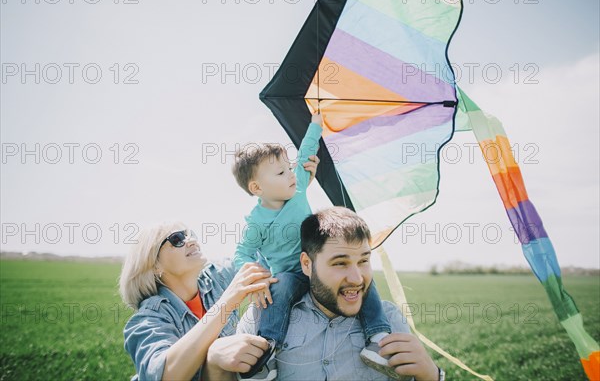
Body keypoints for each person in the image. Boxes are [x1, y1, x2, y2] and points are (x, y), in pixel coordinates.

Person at [231, 115, 393, 379]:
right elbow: (242, 254)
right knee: (278, 287)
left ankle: (378, 336)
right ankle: (267, 349)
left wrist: (316, 123)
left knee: (362, 280)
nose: (291, 174)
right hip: (292, 274)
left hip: (321, 268)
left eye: (290, 167)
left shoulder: (297, 189)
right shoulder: (255, 223)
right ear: (257, 187)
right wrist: (257, 278)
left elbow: (306, 150)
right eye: (281, 172)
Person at [236, 207, 443, 381]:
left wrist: (431, 375)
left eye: (363, 261)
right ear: (307, 264)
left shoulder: (389, 321)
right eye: (340, 263)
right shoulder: (263, 317)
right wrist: (215, 365)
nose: (357, 278)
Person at [119, 222, 276, 381]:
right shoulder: (149, 318)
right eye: (177, 239)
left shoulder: (216, 277)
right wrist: (228, 300)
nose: (191, 241)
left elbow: (269, 258)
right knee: (216, 352)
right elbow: (165, 375)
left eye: (190, 234)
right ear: (154, 265)